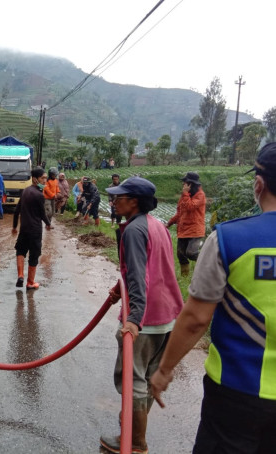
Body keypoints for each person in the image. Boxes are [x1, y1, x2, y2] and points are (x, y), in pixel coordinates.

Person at [150, 143, 276, 454]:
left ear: (258, 184)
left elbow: (195, 319)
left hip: (238, 393)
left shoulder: (230, 239)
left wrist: (164, 369)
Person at [100, 176, 183, 454]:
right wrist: (116, 291)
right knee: (146, 379)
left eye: (118, 197)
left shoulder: (134, 230)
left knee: (133, 381)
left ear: (133, 201)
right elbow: (153, 268)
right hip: (167, 316)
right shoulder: (157, 225)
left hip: (145, 321)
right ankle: (133, 430)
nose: (113, 201)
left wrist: (134, 318)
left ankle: (135, 442)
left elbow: (137, 277)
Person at [12, 167, 51, 290]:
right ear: (35, 179)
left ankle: (20, 275)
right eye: (42, 178)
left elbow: (17, 210)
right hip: (35, 230)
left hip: (24, 229)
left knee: (20, 251)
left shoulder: (25, 191)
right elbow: (42, 214)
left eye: (46, 178)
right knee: (34, 255)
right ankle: (30, 283)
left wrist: (14, 226)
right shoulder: (39, 195)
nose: (45, 180)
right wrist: (48, 224)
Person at [166, 172, 206, 277]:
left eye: (185, 182)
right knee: (180, 254)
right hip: (183, 229)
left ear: (191, 184)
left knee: (191, 253)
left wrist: (185, 193)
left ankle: (207, 262)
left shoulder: (200, 195)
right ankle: (184, 278)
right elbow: (180, 212)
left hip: (195, 230)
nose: (183, 184)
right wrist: (169, 223)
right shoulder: (185, 196)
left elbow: (190, 206)